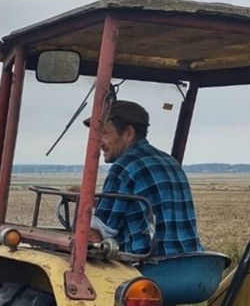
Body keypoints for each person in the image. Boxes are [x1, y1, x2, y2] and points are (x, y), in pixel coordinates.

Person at [83, 100, 201, 258]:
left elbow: (101, 231)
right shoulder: (170, 162)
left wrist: (83, 207)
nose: (98, 143)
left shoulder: (123, 167)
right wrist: (96, 201)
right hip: (190, 264)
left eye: (104, 133)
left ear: (128, 133)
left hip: (146, 267)